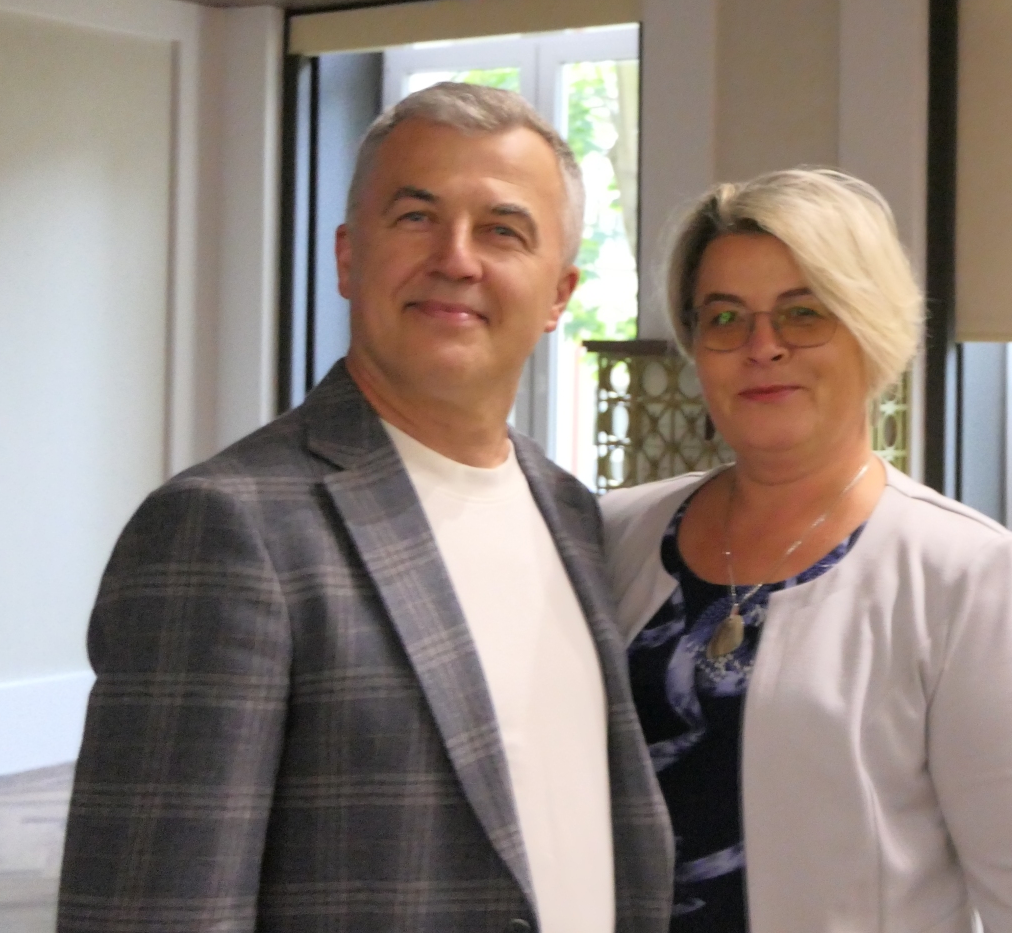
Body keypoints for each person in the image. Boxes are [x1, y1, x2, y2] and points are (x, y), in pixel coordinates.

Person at [59, 83, 672, 933]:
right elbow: (153, 908)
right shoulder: (225, 529)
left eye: (503, 230)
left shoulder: (572, 513)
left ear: (559, 295)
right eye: (417, 217)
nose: (457, 259)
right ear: (348, 259)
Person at [602, 168, 1012, 933]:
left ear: (871, 327)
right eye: (725, 317)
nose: (763, 347)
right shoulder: (616, 534)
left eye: (803, 313)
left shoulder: (961, 574)